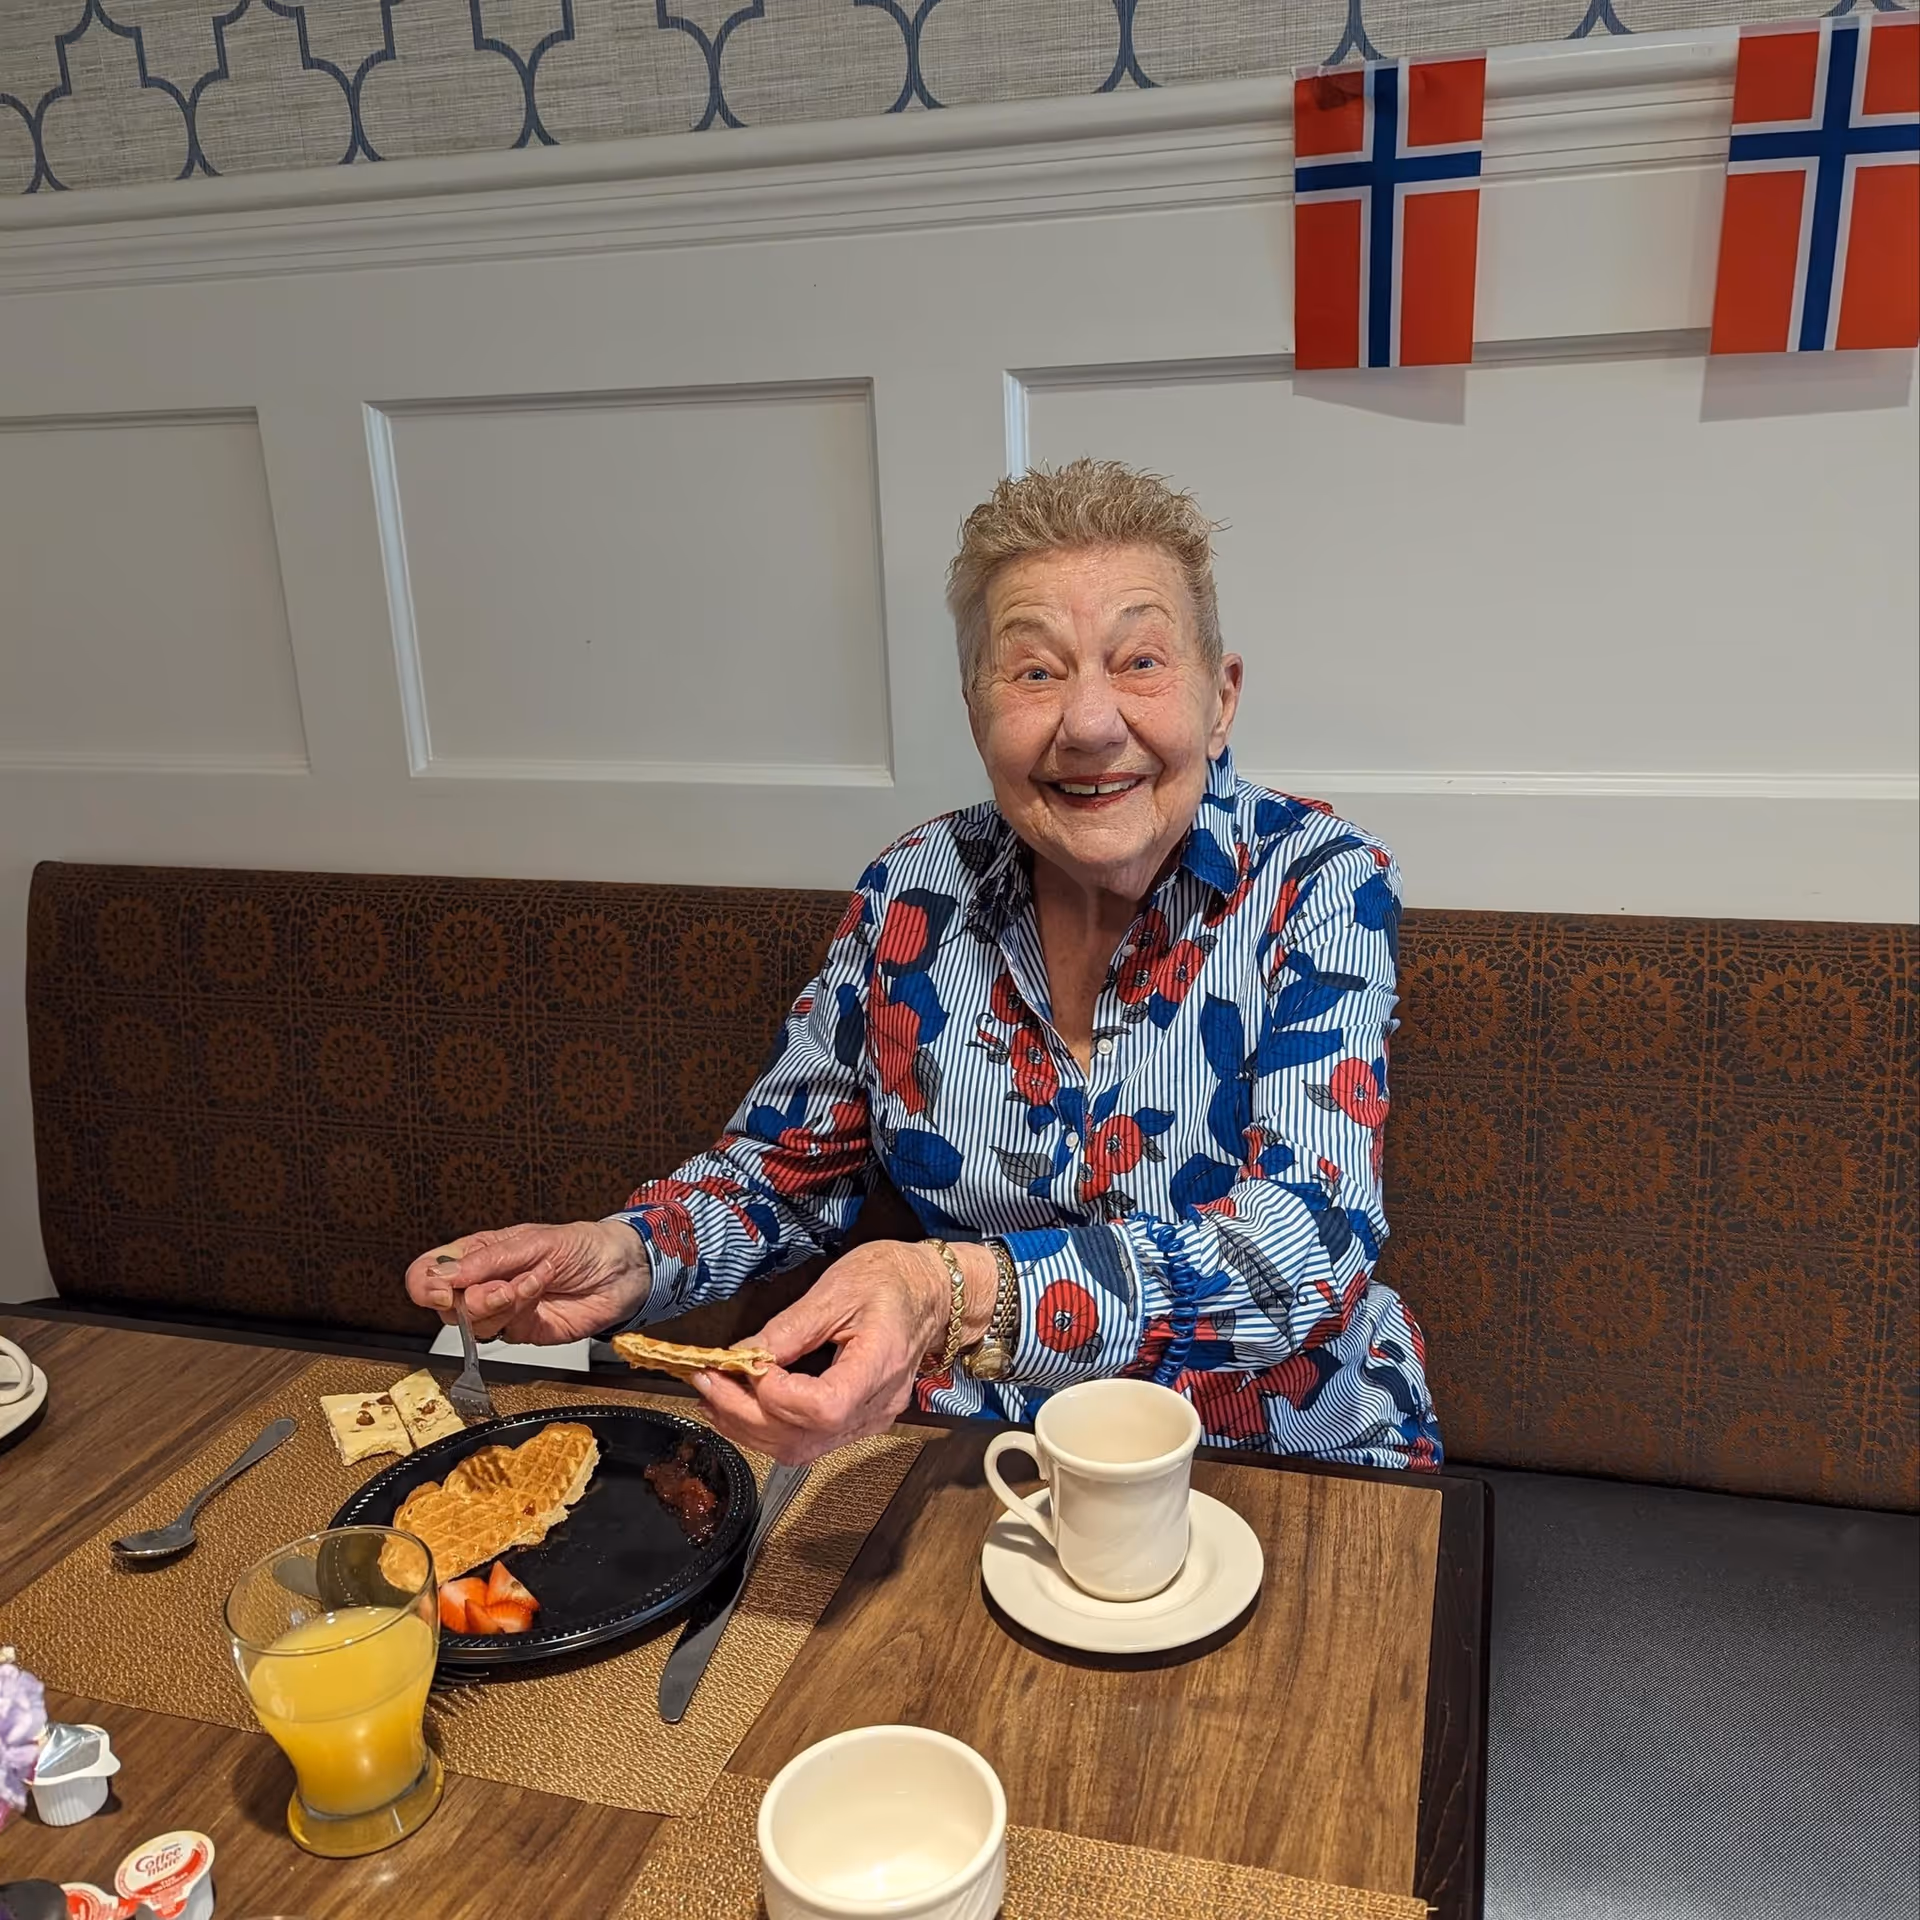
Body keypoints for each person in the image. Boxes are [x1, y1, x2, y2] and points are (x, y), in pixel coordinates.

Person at [406, 460, 1439, 1471]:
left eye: (1139, 663)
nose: (1088, 723)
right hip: (994, 1452)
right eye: (1034, 671)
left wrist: (946, 1291)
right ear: (977, 708)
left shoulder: (1320, 883)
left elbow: (1300, 1254)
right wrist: (627, 1257)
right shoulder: (914, 892)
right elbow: (783, 1172)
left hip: (1282, 1452)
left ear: (1221, 698)